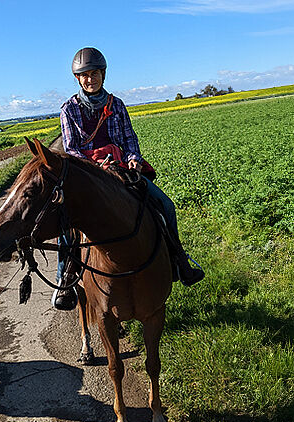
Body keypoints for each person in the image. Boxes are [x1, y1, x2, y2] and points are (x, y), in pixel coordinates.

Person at [52, 47, 204, 310]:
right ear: (78, 79)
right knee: (65, 223)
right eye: (85, 75)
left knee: (165, 206)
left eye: (95, 73)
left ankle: (179, 261)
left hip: (121, 170)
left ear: (103, 74)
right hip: (89, 176)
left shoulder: (117, 105)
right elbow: (72, 149)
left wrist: (132, 157)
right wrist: (95, 164)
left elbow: (129, 139)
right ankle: (65, 279)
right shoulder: (69, 109)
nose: (91, 79)